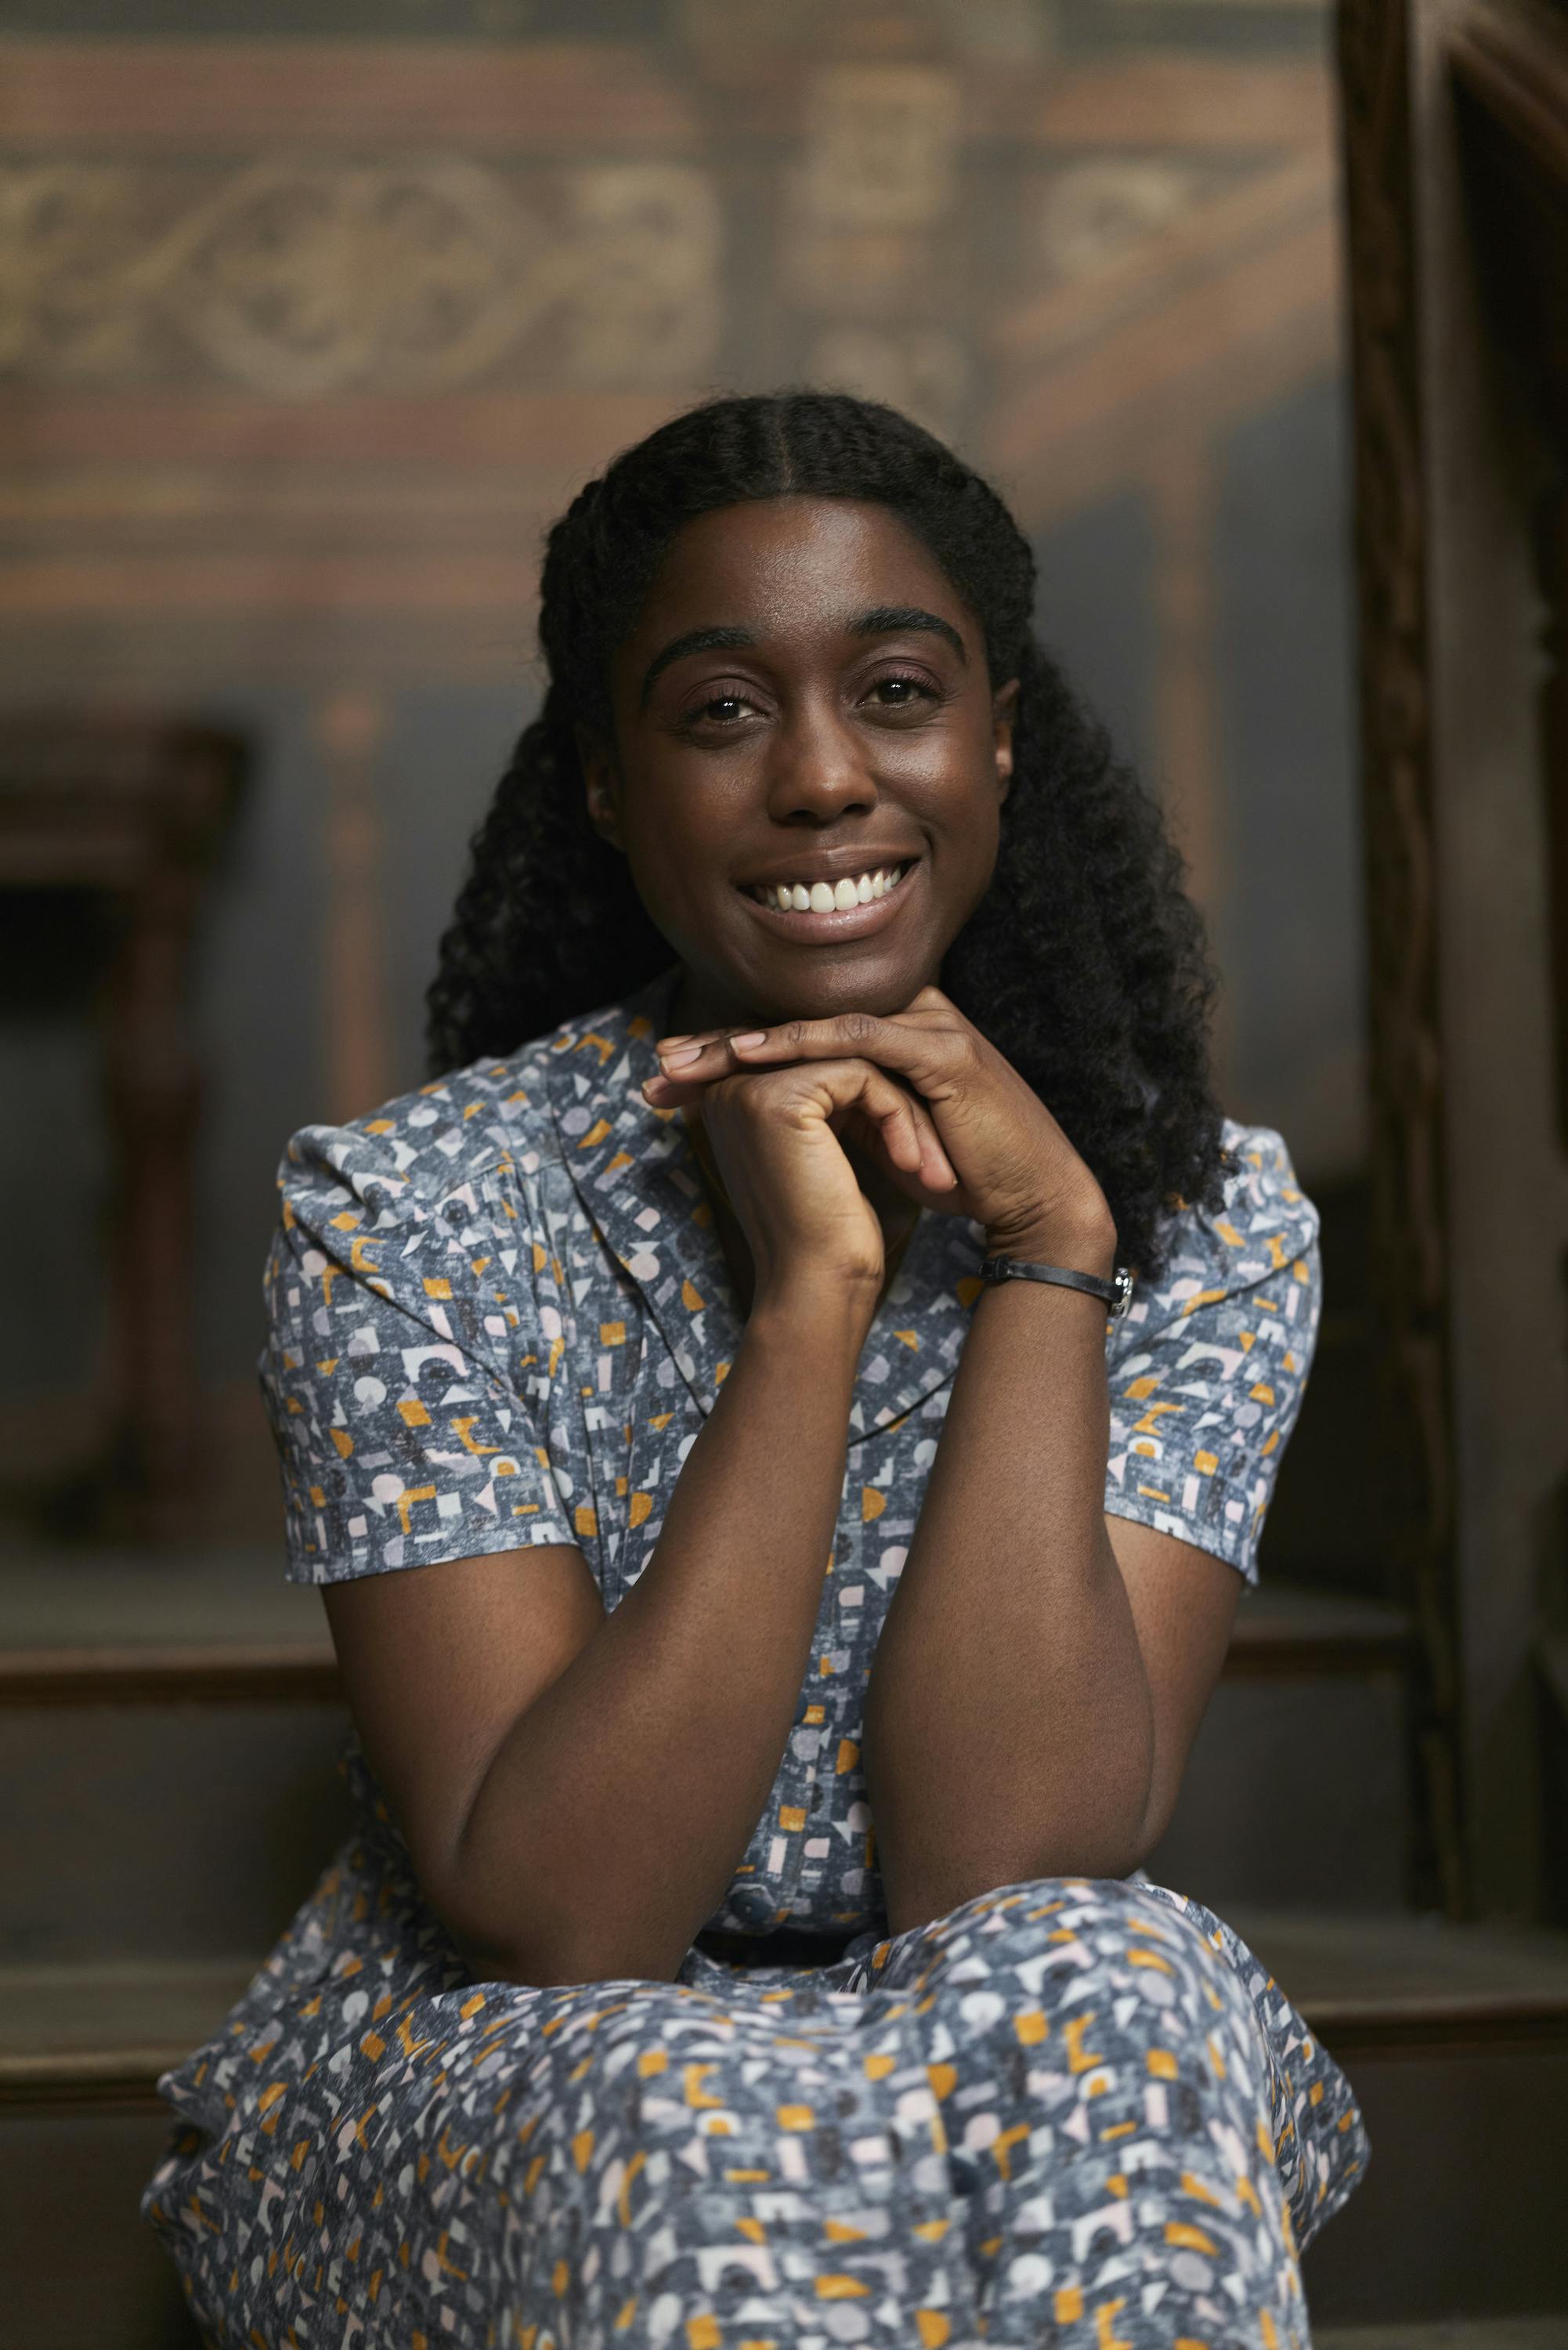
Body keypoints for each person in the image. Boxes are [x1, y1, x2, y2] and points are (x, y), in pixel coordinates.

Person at [143, 390, 1366, 2348]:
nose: (818, 778)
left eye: (895, 690)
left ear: (996, 738)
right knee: (687, 2110)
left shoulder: (1197, 1219)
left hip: (959, 2021)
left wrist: (1046, 1263)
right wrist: (811, 1311)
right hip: (526, 2052)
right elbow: (566, 1914)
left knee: (1117, 1993)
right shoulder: (405, 1214)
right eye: (719, 712)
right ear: (611, 787)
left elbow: (1004, 1864)